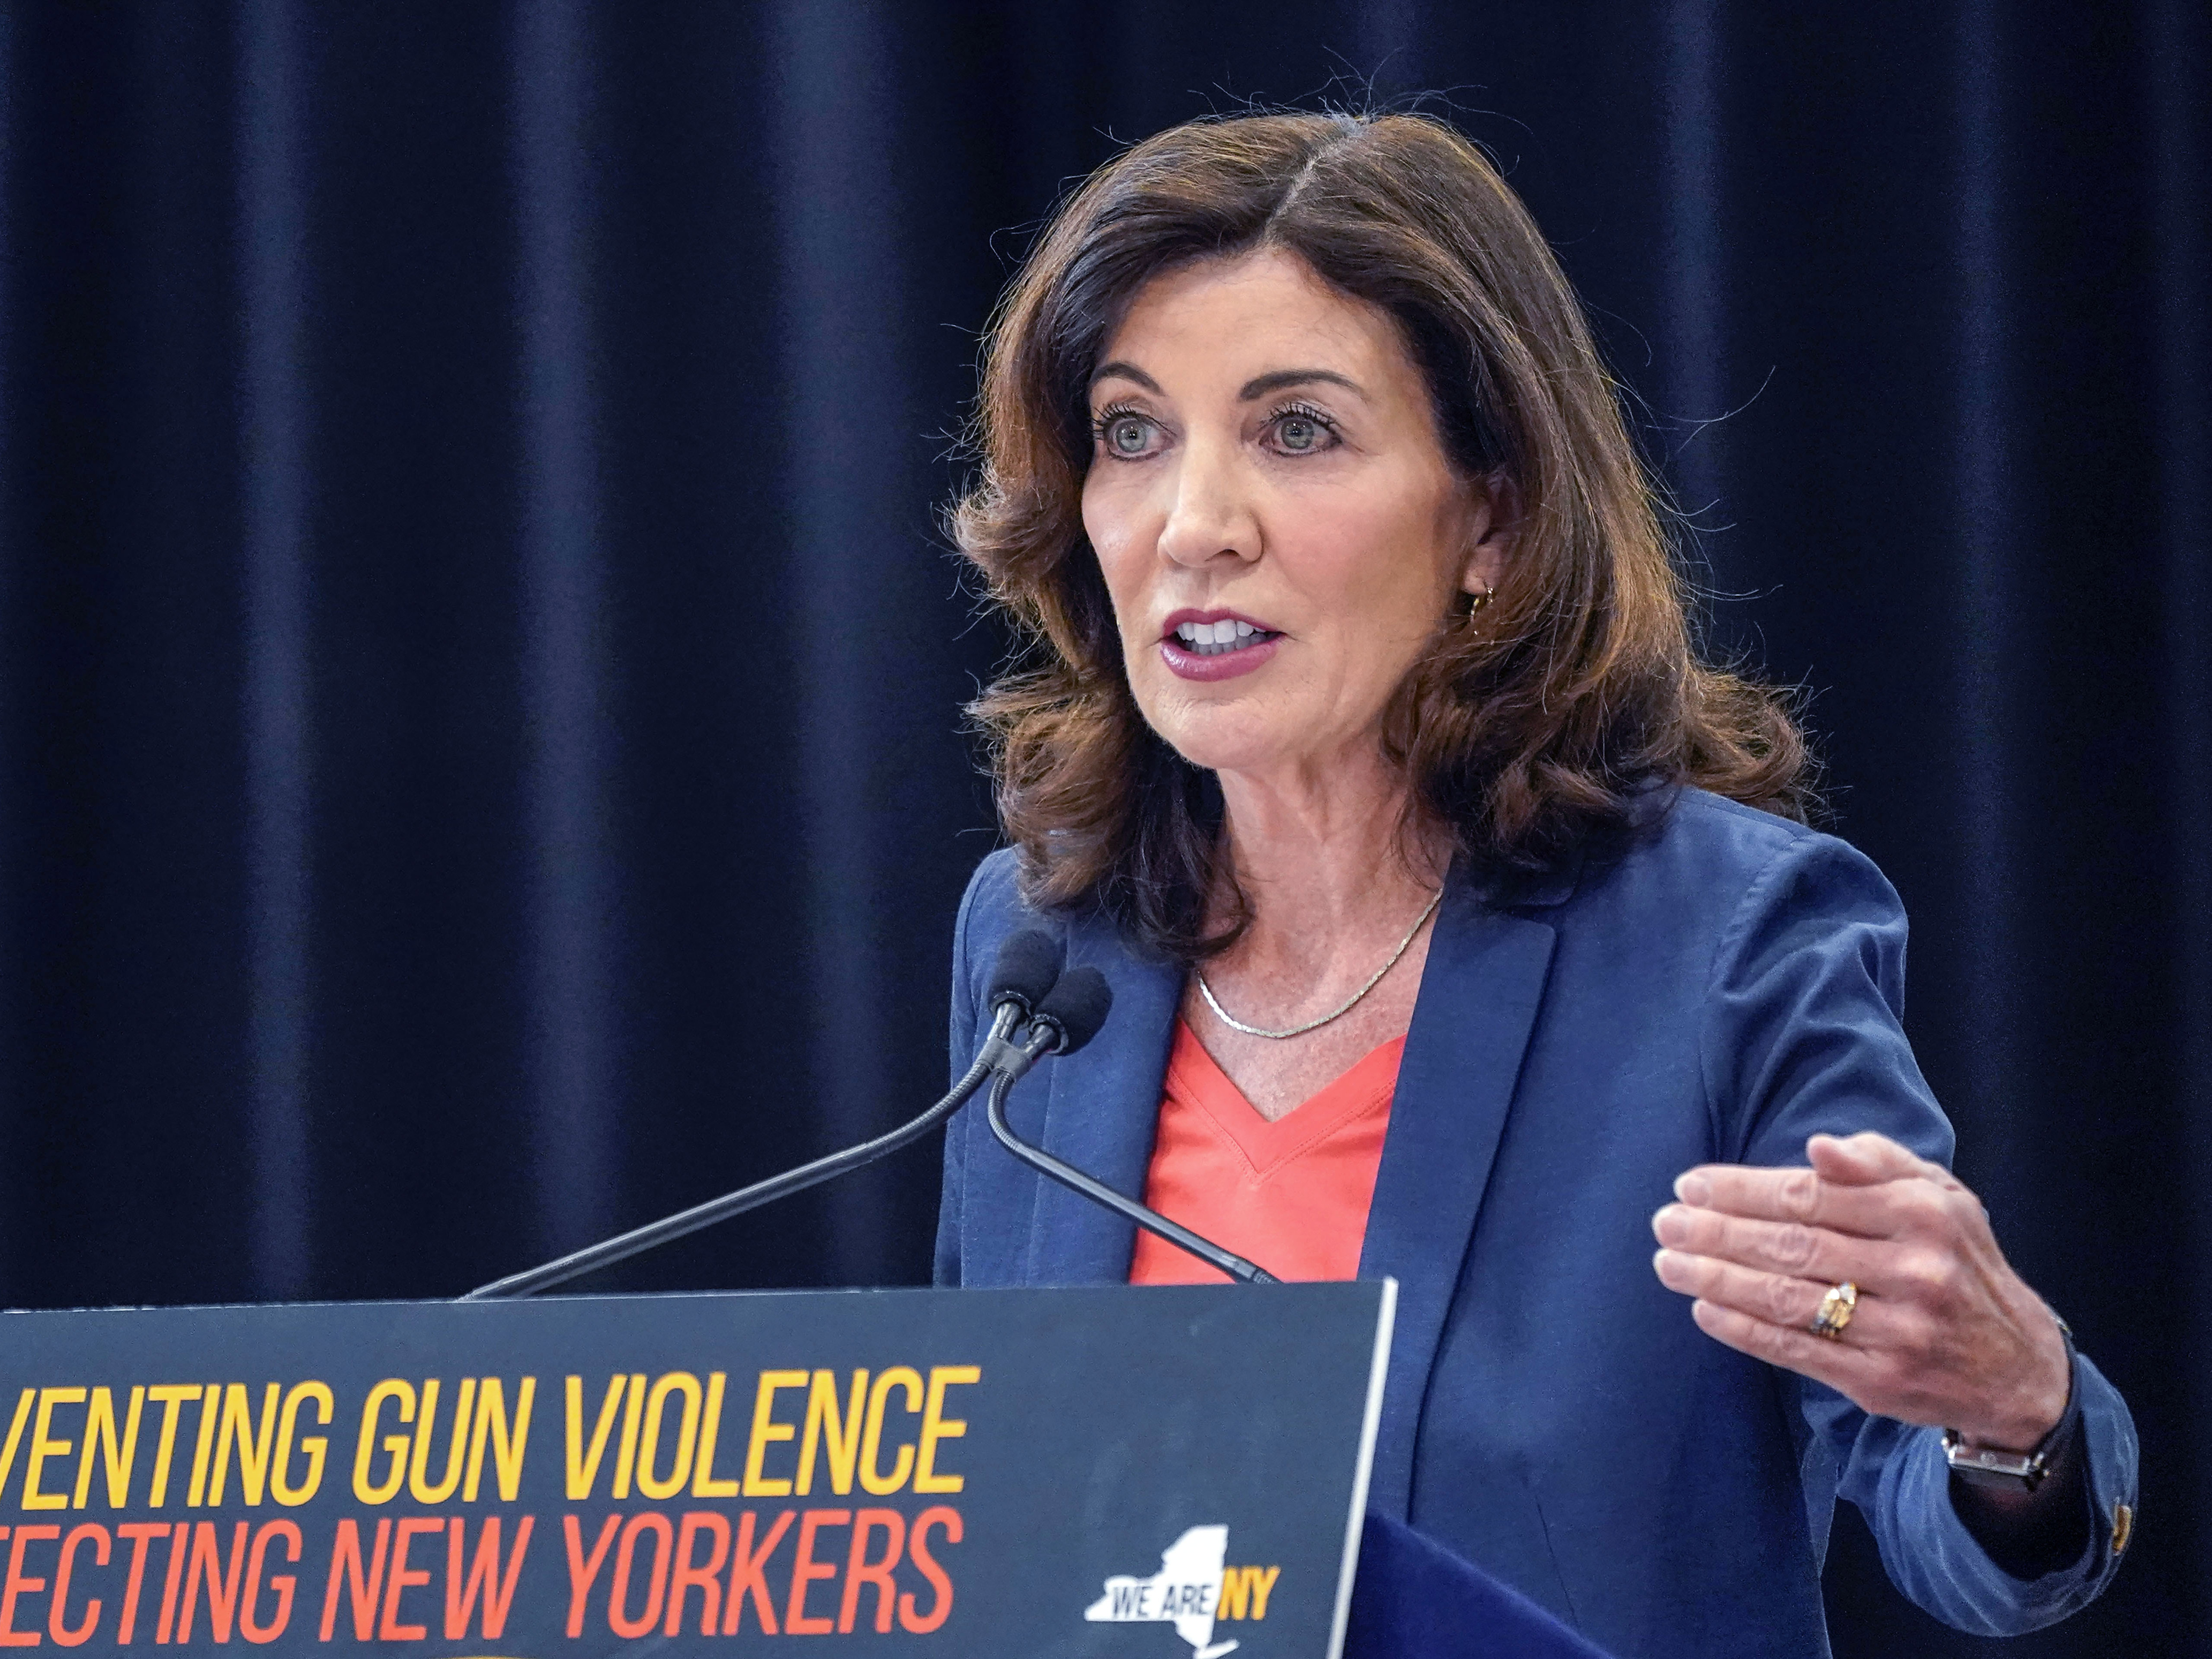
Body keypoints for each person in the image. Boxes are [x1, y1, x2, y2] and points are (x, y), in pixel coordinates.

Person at [932, 110, 2137, 1657]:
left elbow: (1932, 1483)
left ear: (1488, 517)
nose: (1192, 526)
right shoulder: (1040, 948)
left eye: (1296, 430)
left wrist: (2011, 1415)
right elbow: (989, 1502)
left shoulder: (1725, 945)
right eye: (1130, 431)